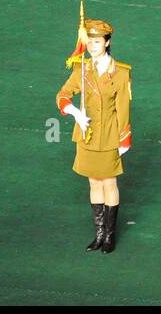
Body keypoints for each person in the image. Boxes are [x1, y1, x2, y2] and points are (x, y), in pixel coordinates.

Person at [54, 17, 132, 254]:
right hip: (87, 134)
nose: (92, 46)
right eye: (90, 41)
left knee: (109, 182)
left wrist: (123, 138)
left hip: (108, 134)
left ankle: (109, 235)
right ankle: (98, 234)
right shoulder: (82, 69)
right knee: (93, 182)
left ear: (107, 43)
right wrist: (75, 112)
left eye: (97, 42)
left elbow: (123, 109)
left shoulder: (120, 73)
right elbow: (63, 95)